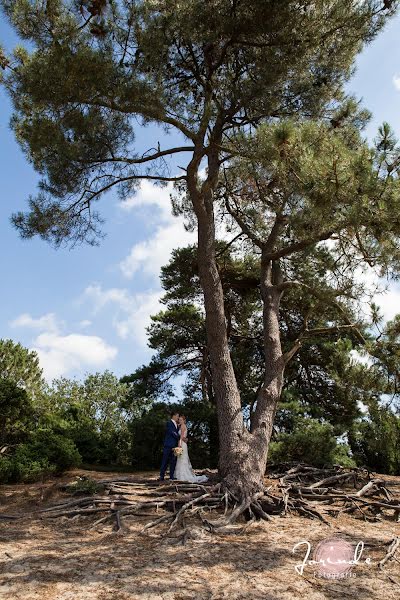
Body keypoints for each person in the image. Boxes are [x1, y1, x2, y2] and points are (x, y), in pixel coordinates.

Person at [174, 415, 208, 483]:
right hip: (183, 443)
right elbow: (184, 437)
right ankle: (180, 475)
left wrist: (179, 444)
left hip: (182, 444)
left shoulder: (183, 426)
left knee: (182, 459)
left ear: (184, 421)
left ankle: (183, 475)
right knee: (181, 459)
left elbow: (181, 437)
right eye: (179, 420)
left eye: (181, 420)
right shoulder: (181, 426)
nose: (180, 421)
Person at [159, 411, 181, 481]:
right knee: (165, 461)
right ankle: (161, 476)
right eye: (177, 416)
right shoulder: (168, 423)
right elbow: (172, 432)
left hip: (175, 446)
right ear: (173, 416)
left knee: (173, 461)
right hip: (168, 445)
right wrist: (180, 437)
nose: (178, 417)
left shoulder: (177, 425)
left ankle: (171, 477)